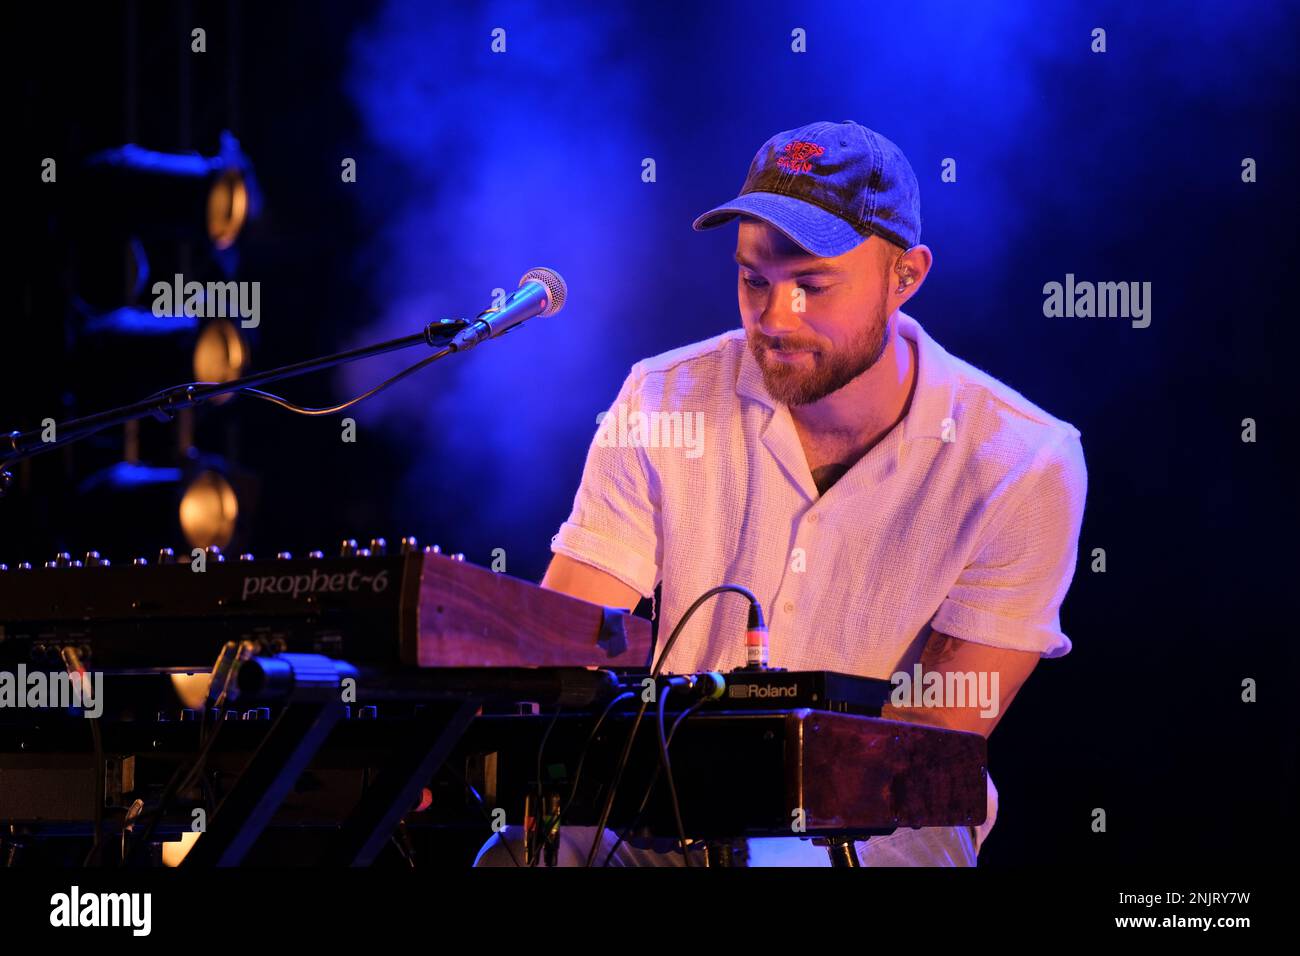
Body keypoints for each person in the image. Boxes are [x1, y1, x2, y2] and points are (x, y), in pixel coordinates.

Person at [475, 120, 1087, 866]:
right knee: (510, 856)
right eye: (753, 280)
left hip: (882, 834)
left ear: (906, 276)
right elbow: (564, 653)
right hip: (663, 811)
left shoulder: (1024, 461)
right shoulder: (662, 398)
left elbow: (928, 749)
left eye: (812, 285)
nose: (773, 318)